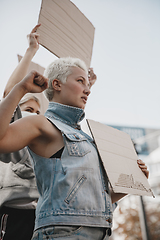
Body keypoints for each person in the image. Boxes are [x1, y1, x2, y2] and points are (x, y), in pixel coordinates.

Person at [0, 56, 149, 240]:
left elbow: (93, 199)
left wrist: (132, 182)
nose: (87, 90)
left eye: (88, 84)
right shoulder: (41, 123)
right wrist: (21, 87)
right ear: (57, 84)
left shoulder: (88, 139)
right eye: (80, 81)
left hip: (101, 232)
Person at [0, 25, 41, 240]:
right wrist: (31, 51)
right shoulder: (11, 134)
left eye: (38, 111)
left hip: (41, 218)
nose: (34, 115)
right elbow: (10, 94)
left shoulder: (41, 138)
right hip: (11, 215)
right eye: (28, 109)